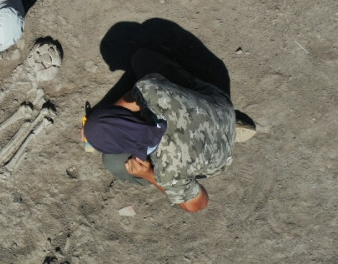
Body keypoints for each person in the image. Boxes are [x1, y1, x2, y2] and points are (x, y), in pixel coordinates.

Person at [82, 47, 255, 212]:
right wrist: (103, 121)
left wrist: (149, 173)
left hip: (219, 156)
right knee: (142, 58)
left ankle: (224, 137)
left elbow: (199, 204)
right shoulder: (149, 91)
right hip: (220, 106)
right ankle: (224, 123)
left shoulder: (168, 168)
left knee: (113, 162)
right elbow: (134, 96)